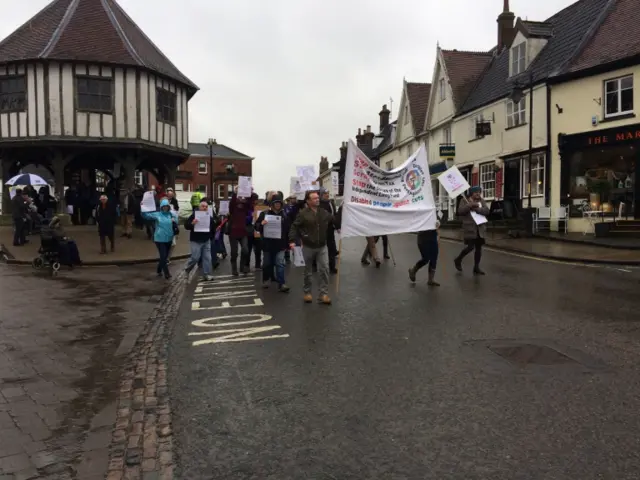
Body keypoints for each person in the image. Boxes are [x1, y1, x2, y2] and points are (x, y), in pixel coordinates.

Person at [288, 191, 335, 305]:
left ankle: (323, 294)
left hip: (322, 246)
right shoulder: (303, 214)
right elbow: (295, 226)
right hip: (308, 246)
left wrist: (345, 214)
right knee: (307, 272)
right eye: (314, 198)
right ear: (308, 201)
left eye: (317, 198)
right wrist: (292, 240)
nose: (317, 200)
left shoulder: (323, 212)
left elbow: (334, 220)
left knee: (324, 269)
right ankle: (307, 292)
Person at [256, 194, 290, 292]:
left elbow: (288, 230)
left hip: (280, 244)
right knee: (267, 263)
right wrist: (261, 224)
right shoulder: (264, 214)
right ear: (272, 204)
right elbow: (257, 227)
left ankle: (281, 283)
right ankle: (266, 280)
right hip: (267, 244)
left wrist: (288, 243)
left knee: (280, 263)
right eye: (276, 203)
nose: (278, 204)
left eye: (279, 203)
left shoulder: (284, 215)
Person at [454, 186, 489, 275]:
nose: (478, 194)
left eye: (479, 192)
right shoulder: (464, 200)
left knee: (479, 248)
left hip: (480, 228)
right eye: (475, 192)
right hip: (470, 228)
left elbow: (487, 211)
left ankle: (476, 267)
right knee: (470, 247)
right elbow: (460, 211)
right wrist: (469, 205)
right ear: (471, 193)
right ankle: (458, 259)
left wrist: (477, 209)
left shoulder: (481, 201)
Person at [142, 199, 177, 279]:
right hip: (159, 239)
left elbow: (176, 222)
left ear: (168, 207)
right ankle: (167, 274)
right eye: (163, 207)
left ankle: (159, 269)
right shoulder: (157, 214)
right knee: (163, 256)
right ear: (161, 207)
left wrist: (174, 220)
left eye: (166, 207)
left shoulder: (171, 214)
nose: (165, 208)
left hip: (169, 238)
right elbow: (146, 216)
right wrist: (142, 207)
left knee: (164, 257)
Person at [184, 201, 217, 281]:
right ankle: (187, 269)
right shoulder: (194, 215)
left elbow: (213, 228)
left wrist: (211, 237)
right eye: (203, 206)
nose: (205, 208)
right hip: (196, 240)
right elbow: (186, 225)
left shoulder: (209, 217)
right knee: (195, 258)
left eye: (206, 206)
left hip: (206, 240)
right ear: (199, 207)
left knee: (207, 258)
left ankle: (206, 274)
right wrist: (192, 223)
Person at [227, 191, 252, 276]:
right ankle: (234, 268)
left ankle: (242, 267)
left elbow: (250, 204)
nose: (240, 200)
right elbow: (232, 203)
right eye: (239, 197)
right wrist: (236, 193)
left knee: (245, 250)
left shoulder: (245, 208)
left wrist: (249, 193)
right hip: (233, 232)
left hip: (243, 232)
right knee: (234, 252)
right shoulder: (233, 209)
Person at [408, 221, 440, 286]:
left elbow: (437, 221)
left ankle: (431, 280)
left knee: (434, 258)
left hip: (433, 237)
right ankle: (413, 270)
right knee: (426, 258)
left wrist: (438, 224)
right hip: (423, 238)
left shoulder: (434, 211)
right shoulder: (422, 211)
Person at [318, 188, 339, 274]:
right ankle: (317, 266)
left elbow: (335, 215)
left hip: (330, 229)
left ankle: (332, 267)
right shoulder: (319, 204)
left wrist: (338, 226)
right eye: (325, 193)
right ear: (321, 195)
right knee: (321, 250)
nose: (327, 195)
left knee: (332, 249)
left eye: (328, 193)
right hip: (321, 230)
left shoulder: (331, 203)